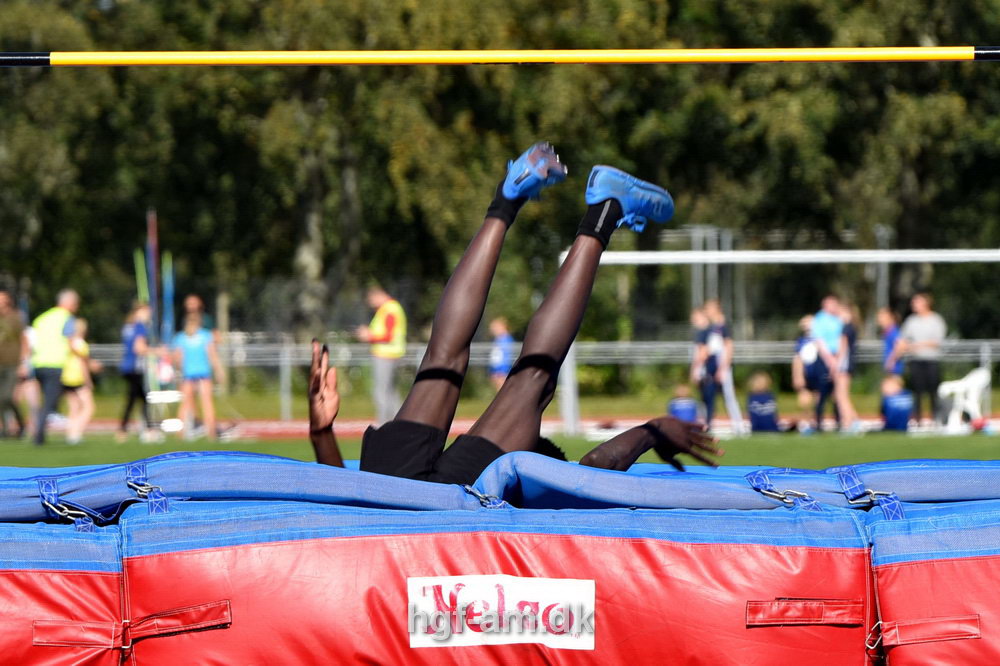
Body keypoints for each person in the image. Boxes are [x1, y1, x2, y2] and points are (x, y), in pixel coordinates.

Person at [309, 142, 719, 481]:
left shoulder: (532, 480)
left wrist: (652, 432)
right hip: (393, 486)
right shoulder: (528, 480)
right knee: (444, 358)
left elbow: (596, 466)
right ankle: (509, 200)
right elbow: (349, 501)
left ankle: (600, 211)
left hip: (429, 499)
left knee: (525, 377)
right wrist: (321, 431)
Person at [888, 293, 946, 423]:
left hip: (931, 360)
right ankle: (918, 418)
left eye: (917, 302)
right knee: (917, 391)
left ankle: (936, 417)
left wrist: (915, 345)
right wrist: (893, 358)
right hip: (915, 360)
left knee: (933, 390)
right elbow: (902, 340)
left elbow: (936, 342)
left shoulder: (936, 320)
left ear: (926, 304)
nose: (913, 305)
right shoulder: (911, 321)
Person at [31, 289, 79, 445]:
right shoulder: (67, 318)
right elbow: (71, 341)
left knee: (45, 399)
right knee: (50, 401)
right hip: (55, 363)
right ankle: (39, 435)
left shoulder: (42, 318)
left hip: (38, 363)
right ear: (70, 303)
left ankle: (40, 428)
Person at [355, 285, 407, 425]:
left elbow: (387, 335)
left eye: (371, 299)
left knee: (381, 392)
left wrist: (369, 336)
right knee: (391, 393)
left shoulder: (389, 309)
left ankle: (384, 423)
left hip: (386, 355)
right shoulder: (392, 308)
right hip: (392, 354)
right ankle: (400, 423)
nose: (371, 303)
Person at [172, 312, 224, 440]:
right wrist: (219, 370)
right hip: (203, 374)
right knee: (206, 403)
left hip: (188, 375)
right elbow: (212, 354)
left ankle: (180, 434)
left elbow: (177, 358)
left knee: (185, 405)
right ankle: (211, 433)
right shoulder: (205, 336)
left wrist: (178, 370)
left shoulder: (181, 338)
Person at [791, 314, 836, 433]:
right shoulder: (801, 341)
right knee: (804, 397)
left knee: (820, 397)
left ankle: (818, 421)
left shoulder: (821, 339)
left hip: (819, 373)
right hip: (807, 373)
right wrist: (797, 375)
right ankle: (808, 422)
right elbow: (798, 359)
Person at [118, 301, 154, 442]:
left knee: (136, 399)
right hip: (135, 367)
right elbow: (139, 348)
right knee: (139, 399)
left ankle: (125, 430)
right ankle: (146, 430)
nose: (148, 315)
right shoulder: (140, 327)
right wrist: (159, 351)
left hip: (127, 366)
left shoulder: (128, 326)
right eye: (147, 312)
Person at [61, 319, 98, 444]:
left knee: (73, 407)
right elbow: (82, 364)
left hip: (66, 377)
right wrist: (88, 380)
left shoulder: (68, 343)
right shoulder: (81, 344)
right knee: (89, 407)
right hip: (78, 377)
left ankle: (70, 433)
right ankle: (77, 432)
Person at [0, 290, 27, 438]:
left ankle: (21, 425)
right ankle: (5, 429)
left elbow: (24, 341)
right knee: (0, 399)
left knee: (7, 397)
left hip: (12, 364)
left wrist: (23, 363)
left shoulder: (16, 318)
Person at [833, 302, 861, 433]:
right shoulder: (852, 327)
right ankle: (854, 421)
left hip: (844, 365)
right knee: (842, 395)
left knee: (841, 395)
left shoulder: (846, 328)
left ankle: (848, 422)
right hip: (848, 364)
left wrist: (837, 364)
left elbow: (843, 347)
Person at [488, 317, 515, 391]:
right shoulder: (498, 339)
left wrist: (502, 368)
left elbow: (506, 355)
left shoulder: (506, 339)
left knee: (502, 386)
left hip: (503, 367)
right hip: (496, 366)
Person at [878, 307, 904, 376]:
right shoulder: (887, 332)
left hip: (894, 369)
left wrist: (891, 361)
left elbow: (900, 345)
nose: (880, 320)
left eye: (882, 317)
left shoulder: (893, 331)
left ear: (890, 318)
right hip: (890, 369)